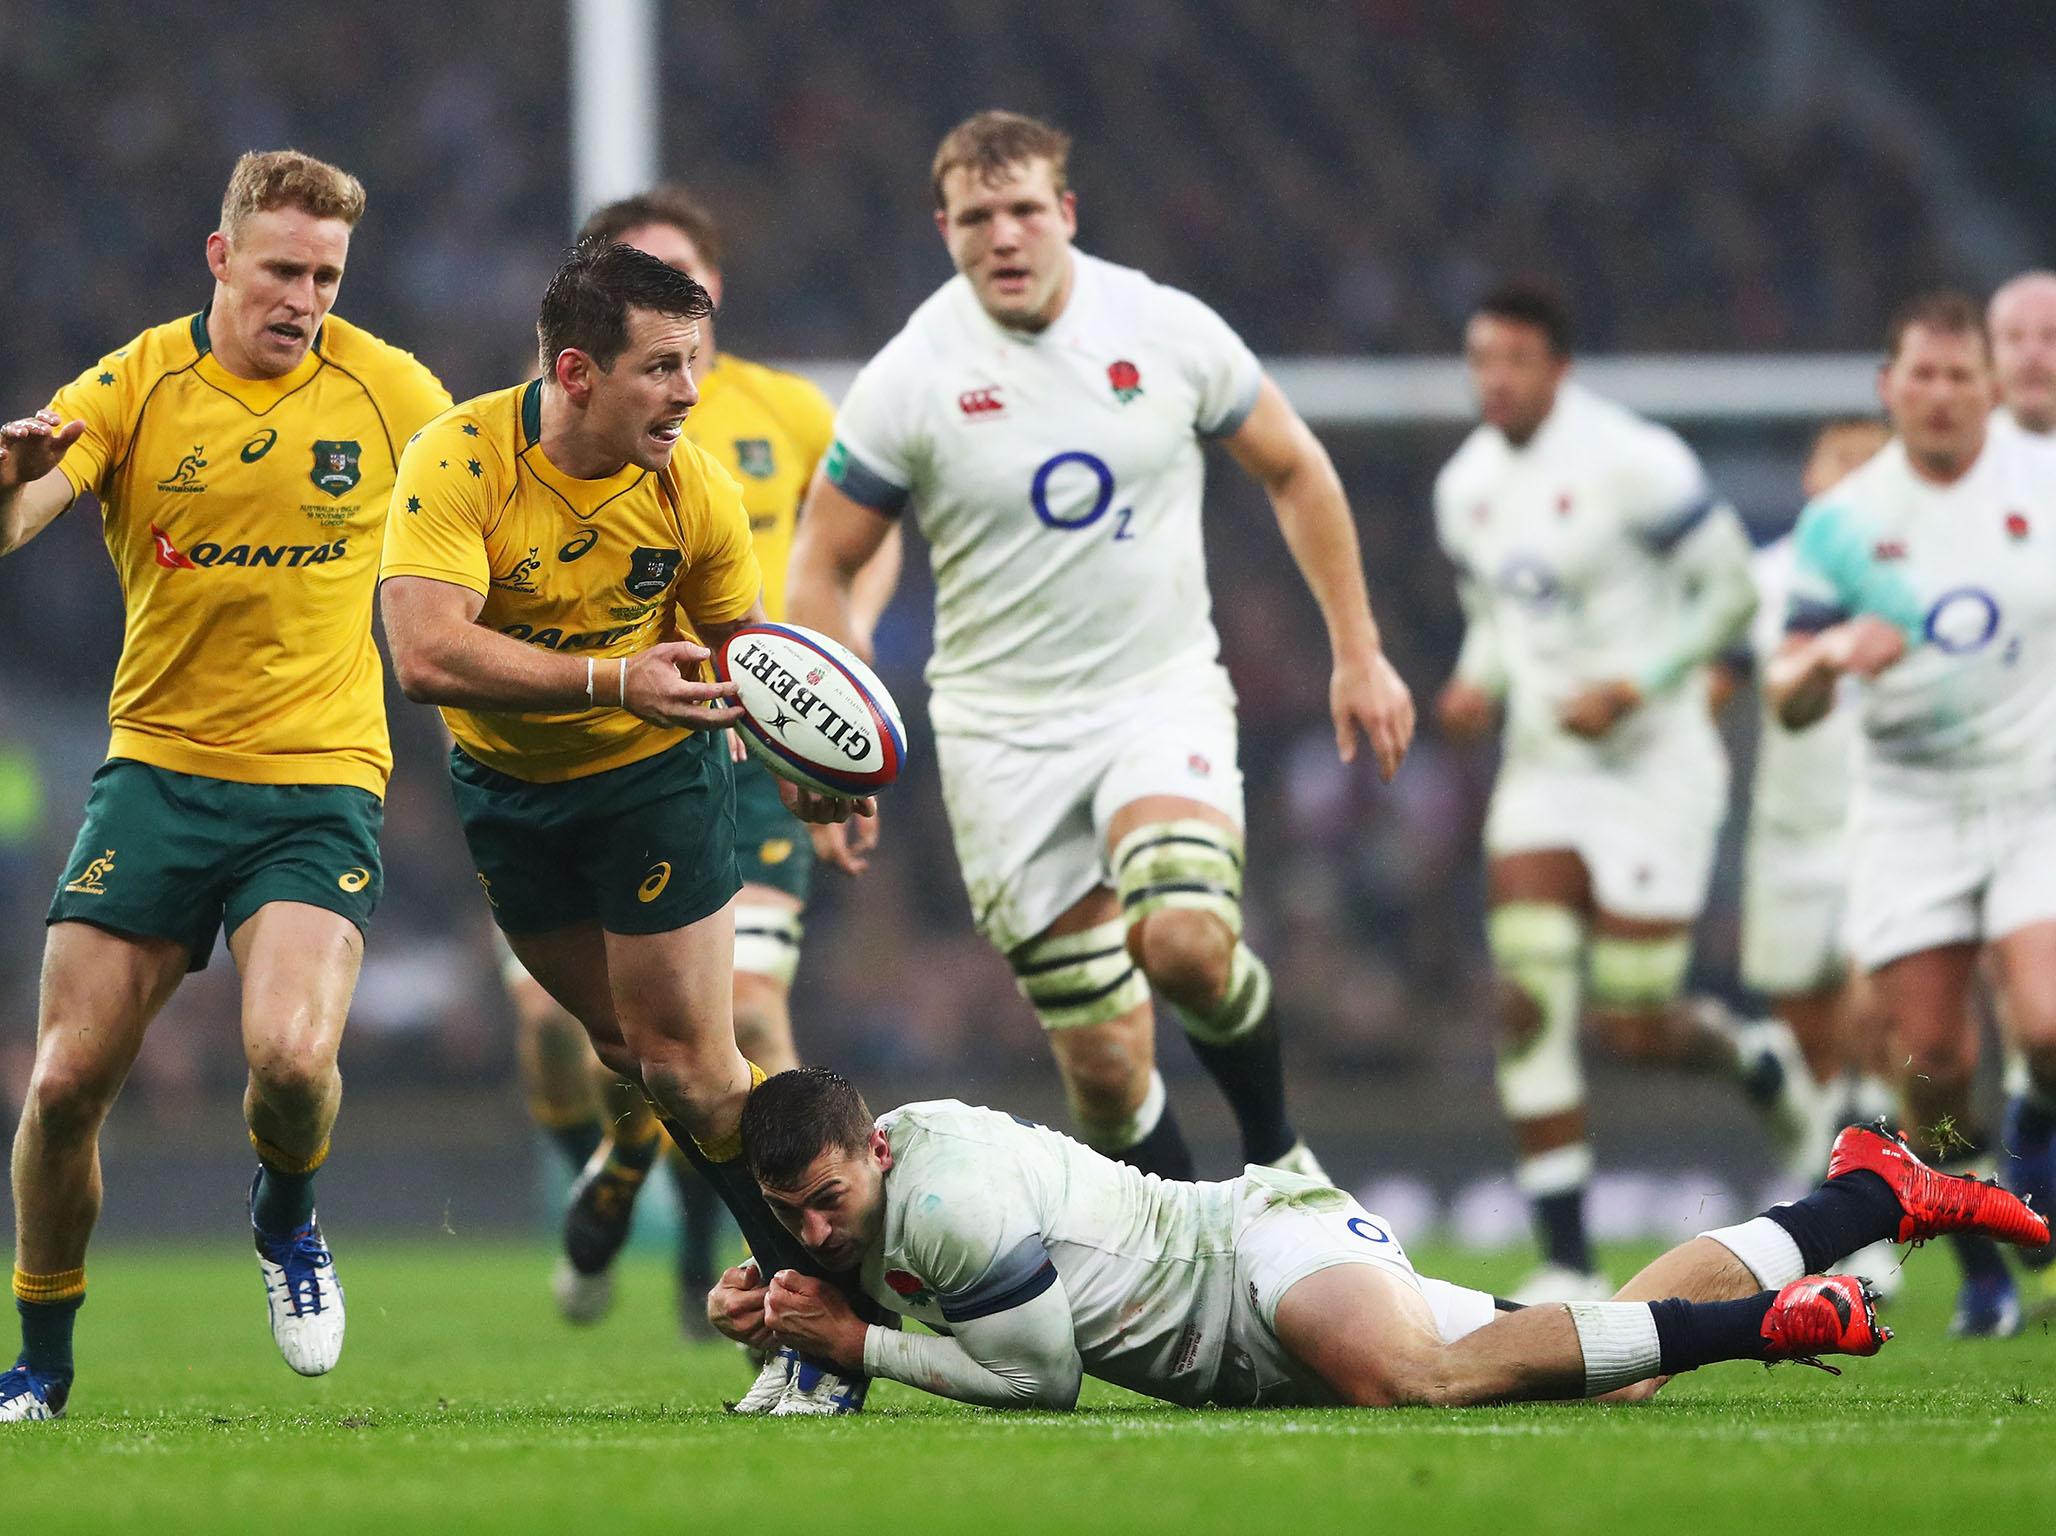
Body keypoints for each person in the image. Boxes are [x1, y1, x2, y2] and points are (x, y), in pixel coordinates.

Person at [787, 110, 1413, 1182]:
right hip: (1002, 738)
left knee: (1183, 944)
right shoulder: (912, 375)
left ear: (1065, 214)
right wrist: (826, 744)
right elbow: (820, 563)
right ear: (944, 228)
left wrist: (1358, 649)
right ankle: (1192, 1251)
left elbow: (1295, 466)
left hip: (1154, 698)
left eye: (1025, 209)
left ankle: (1280, 1167)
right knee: (1110, 1070)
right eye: (977, 217)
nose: (1004, 236)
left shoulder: (1163, 328)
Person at [378, 238, 877, 1415]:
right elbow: (423, 653)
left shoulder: (692, 486)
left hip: (655, 785)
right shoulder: (457, 460)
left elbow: (741, 656)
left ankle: (821, 1328)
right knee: (631, 1057)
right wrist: (610, 678)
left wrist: (803, 766)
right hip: (513, 802)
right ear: (576, 371)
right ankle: (816, 1270)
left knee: (694, 1065)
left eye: (692, 363)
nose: (690, 392)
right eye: (661, 367)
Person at [0, 152, 451, 1422]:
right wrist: (10, 469)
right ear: (220, 257)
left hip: (317, 783)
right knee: (64, 1083)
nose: (302, 298)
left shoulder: (391, 390)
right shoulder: (138, 380)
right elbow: (15, 517)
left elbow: (488, 506)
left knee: (295, 1063)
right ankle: (42, 1358)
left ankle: (288, 1215)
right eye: (281, 270)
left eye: (325, 276)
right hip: (155, 775)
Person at [497, 188, 901, 1329]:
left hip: (744, 740)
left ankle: (798, 1286)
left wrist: (835, 686)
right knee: (581, 1031)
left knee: (748, 1019)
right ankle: (621, 1161)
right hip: (597, 754)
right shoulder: (547, 432)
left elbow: (863, 539)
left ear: (710, 291)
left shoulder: (783, 412)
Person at [709, 1067, 2045, 1411]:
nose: (816, 1225)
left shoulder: (939, 1197)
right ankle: (1867, 1195)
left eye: (828, 1199)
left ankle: (1761, 1327)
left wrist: (859, 1345)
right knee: (1607, 1366)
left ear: (873, 1147)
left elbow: (1041, 1380)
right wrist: (789, 1285)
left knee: (1407, 1380)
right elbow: (862, 1256)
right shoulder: (886, 1176)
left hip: (1251, 1260)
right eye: (792, 1214)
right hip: (1247, 1300)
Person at [1433, 280, 1808, 1305]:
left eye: (1513, 361)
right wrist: (1479, 681)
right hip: (1546, 768)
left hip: (1654, 761)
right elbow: (1497, 616)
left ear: (1557, 367)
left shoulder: (1634, 463)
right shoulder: (1464, 486)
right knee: (1525, 999)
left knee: (1633, 1021)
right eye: (1480, 362)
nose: (1494, 382)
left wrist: (1640, 685)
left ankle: (1752, 1056)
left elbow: (1732, 592)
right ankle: (1564, 1257)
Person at [1767, 291, 2056, 1339]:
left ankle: (2037, 1156)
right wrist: (1832, 657)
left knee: (2048, 1021)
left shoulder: (2042, 483)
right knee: (1933, 1067)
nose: (1938, 395)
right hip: (1910, 806)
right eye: (1918, 376)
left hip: (2034, 794)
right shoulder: (1845, 524)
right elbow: (1784, 695)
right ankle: (1985, 1259)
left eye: (1958, 375)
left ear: (1990, 386)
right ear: (1887, 388)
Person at [1734, 419, 1895, 1164]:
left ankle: (1864, 1193)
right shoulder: (1762, 579)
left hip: (1888, 824)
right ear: (1810, 476)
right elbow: (1717, 685)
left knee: (1876, 1019)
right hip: (1791, 831)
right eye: (1842, 460)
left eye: (1874, 463)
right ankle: (1835, 1183)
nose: (1857, 476)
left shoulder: (1917, 578)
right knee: (1809, 1039)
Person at [1984, 270, 2056, 1302]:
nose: (2036, 351)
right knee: (2040, 1029)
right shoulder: (1952, 480)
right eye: (2017, 335)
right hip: (2002, 794)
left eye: (2051, 334)